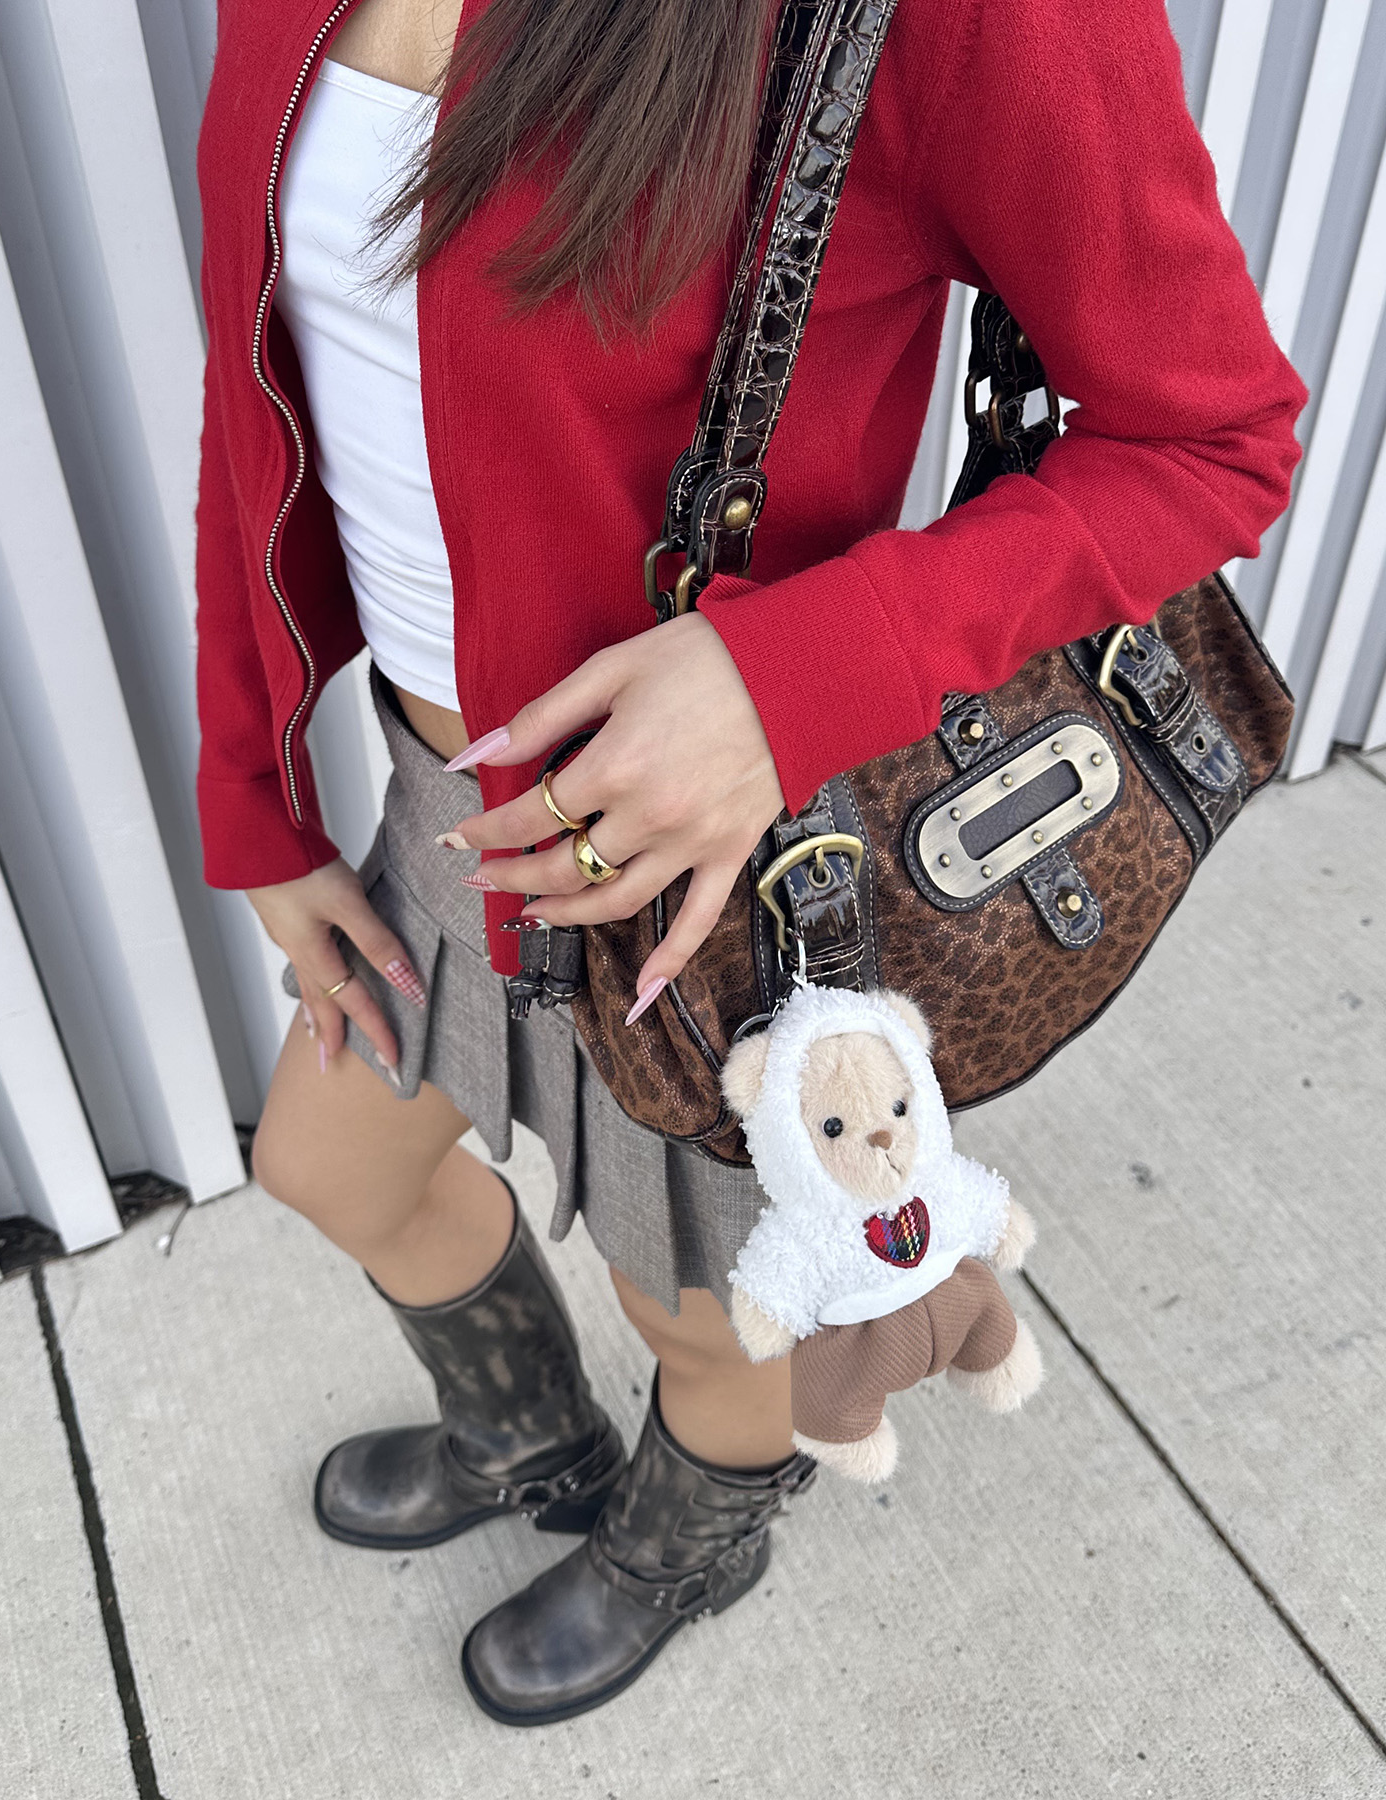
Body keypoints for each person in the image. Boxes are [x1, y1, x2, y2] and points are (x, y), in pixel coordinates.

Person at [194, 0, 1305, 1726]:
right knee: (328, 1164)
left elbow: (1210, 437)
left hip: (717, 893)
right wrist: (249, 795)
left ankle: (692, 1541)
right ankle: (527, 1433)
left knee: (709, 1325)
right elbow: (259, 369)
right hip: (449, 812)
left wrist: (787, 684)